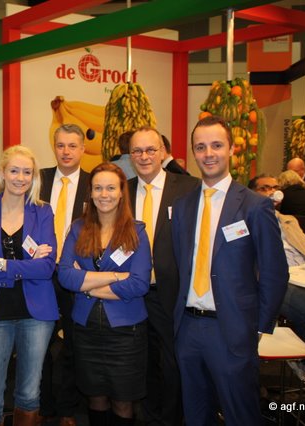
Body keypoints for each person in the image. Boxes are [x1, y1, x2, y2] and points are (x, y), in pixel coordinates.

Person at [171, 116, 288, 426]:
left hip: (232, 330)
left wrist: (259, 326)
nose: (208, 153)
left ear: (232, 149)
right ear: (193, 153)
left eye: (216, 145)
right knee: (196, 416)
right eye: (200, 147)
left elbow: (275, 272)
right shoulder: (182, 206)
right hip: (188, 329)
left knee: (241, 415)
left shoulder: (254, 206)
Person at [0, 145, 58, 426]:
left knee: (29, 396)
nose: (20, 178)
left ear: (34, 177)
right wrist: (25, 267)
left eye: (27, 172)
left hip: (36, 314)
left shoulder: (42, 212)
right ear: (2, 173)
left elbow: (46, 268)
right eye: (14, 171)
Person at [59, 162, 151, 426]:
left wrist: (86, 284)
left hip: (126, 334)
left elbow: (139, 284)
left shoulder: (137, 231)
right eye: (98, 188)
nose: (104, 194)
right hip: (86, 329)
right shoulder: (78, 229)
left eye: (111, 188)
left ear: (122, 192)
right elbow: (65, 276)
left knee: (123, 401)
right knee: (95, 397)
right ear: (90, 193)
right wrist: (116, 276)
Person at [127, 127, 199, 426]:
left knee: (172, 364)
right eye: (137, 151)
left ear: (163, 153)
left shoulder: (189, 188)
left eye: (150, 150)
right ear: (130, 156)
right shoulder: (122, 190)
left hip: (169, 294)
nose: (144, 157)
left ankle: (170, 419)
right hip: (129, 295)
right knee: (138, 362)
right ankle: (147, 415)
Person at [38, 123, 90, 425]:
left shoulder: (94, 183)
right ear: (54, 147)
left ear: (82, 149)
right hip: (41, 275)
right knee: (39, 343)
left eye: (72, 146)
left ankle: (68, 408)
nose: (66, 151)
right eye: (61, 145)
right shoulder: (38, 179)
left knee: (73, 343)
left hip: (75, 274)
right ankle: (42, 406)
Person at [249, 174, 305, 353]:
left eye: (275, 188)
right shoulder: (246, 219)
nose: (271, 192)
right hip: (280, 281)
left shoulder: (288, 220)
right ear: (251, 193)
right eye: (264, 188)